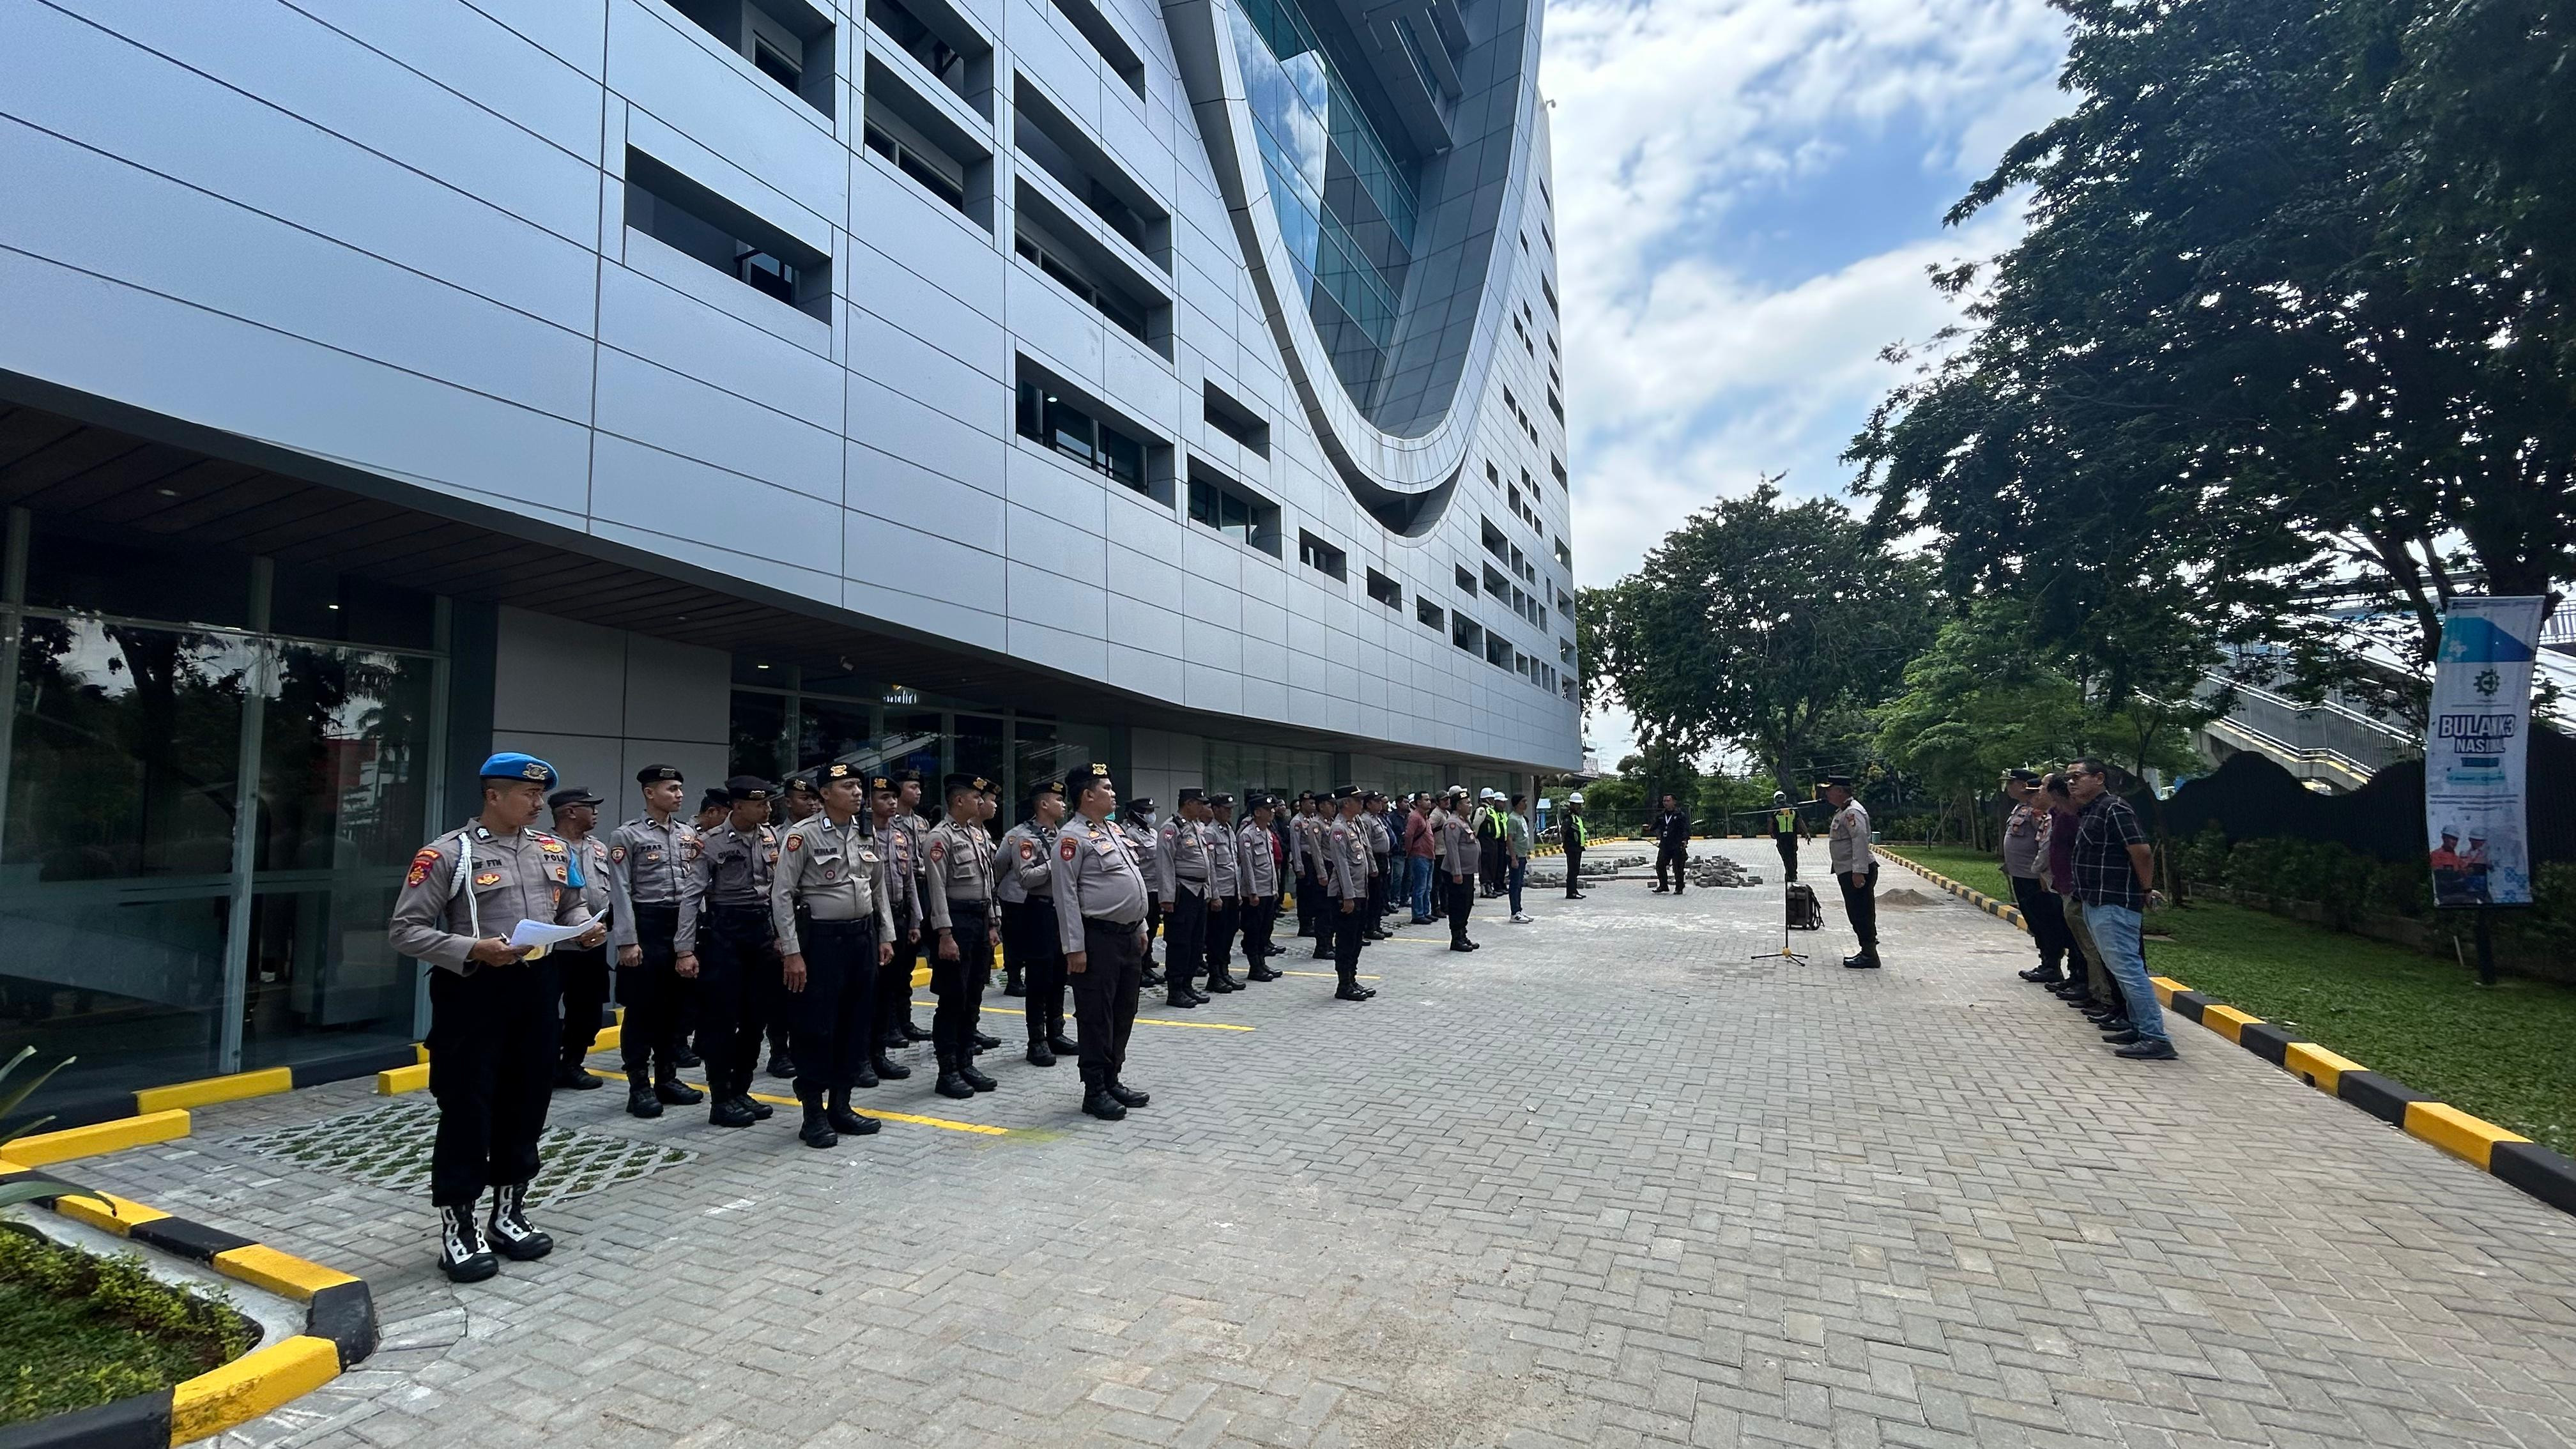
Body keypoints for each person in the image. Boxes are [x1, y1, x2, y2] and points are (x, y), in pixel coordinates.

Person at [389, 752, 605, 1283]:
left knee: (527, 1102)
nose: (538, 804)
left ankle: (509, 1213)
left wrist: (583, 927)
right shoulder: (449, 854)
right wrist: (472, 948)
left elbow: (570, 904)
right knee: (468, 1107)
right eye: (528, 795)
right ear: (493, 796)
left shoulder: (552, 849)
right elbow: (405, 930)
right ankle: (459, 1227)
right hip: (474, 990)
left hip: (536, 987)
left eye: (539, 795)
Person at [771, 762, 898, 1147]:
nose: (858, 793)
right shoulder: (802, 836)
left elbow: (877, 888)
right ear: (825, 794)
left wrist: (884, 935)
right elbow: (782, 895)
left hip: (861, 937)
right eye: (848, 786)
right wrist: (792, 953)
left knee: (855, 1023)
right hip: (821, 942)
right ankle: (813, 1114)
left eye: (859, 786)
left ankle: (841, 1106)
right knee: (816, 1026)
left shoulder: (865, 833)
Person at [675, 777, 786, 1129]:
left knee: (757, 1018)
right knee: (722, 1020)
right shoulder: (709, 843)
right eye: (760, 804)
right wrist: (684, 949)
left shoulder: (771, 838)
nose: (768, 809)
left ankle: (742, 1089)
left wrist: (785, 937)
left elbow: (781, 893)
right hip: (725, 933)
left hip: (762, 934)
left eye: (769, 804)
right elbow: (692, 897)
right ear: (737, 806)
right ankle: (721, 1097)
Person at [1050, 763, 1153, 1120]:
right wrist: (1074, 948)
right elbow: (1065, 898)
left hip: (1127, 938)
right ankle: (1094, 1090)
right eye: (1106, 788)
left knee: (1125, 1011)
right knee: (1097, 1017)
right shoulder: (1071, 838)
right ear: (1087, 795)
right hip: (1097, 940)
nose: (1113, 793)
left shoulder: (1113, 829)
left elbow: (1133, 881)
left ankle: (1113, 1079)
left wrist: (1140, 926)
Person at [609, 765, 703, 1118]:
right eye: (672, 789)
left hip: (682, 925)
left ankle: (667, 1078)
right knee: (643, 1009)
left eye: (680, 789)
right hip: (646, 925)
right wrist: (627, 942)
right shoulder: (627, 836)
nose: (679, 795)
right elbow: (620, 892)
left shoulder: (687, 834)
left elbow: (696, 887)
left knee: (676, 1008)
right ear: (650, 793)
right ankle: (638, 1085)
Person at [2066, 760, 2177, 1061]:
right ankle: (2137, 1025)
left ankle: (2155, 1037)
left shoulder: (2114, 808)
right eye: (2068, 778)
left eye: (2077, 777)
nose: (2071, 783)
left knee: (2128, 970)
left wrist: (2145, 889)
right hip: (2094, 900)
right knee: (2119, 969)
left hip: (2114, 902)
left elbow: (2140, 850)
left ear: (2099, 778)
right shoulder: (2092, 811)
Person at [921, 774, 1000, 1099]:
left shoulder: (977, 835)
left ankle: (966, 1061)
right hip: (956, 921)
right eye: (975, 797)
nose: (980, 803)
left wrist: (994, 921)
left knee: (974, 994)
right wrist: (944, 934)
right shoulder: (939, 838)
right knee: (953, 998)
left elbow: (988, 881)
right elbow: (936, 891)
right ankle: (948, 1070)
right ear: (959, 801)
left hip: (980, 920)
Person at [998, 781, 1076, 1063]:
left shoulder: (1065, 834)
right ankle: (1037, 1040)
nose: (1064, 805)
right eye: (1058, 800)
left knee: (1059, 974)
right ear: (1044, 804)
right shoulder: (1025, 838)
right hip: (1039, 910)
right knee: (1039, 978)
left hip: (1062, 911)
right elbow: (1027, 878)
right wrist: (1055, 864)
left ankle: (1057, 1032)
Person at [546, 785, 612, 1091]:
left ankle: (572, 1063)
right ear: (571, 811)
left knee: (587, 1010)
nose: (596, 813)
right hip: (555, 946)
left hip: (594, 943)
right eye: (590, 807)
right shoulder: (543, 847)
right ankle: (545, 1065)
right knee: (545, 1009)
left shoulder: (598, 847)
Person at [859, 778, 917, 1084]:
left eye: (895, 797)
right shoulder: (860, 835)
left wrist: (916, 920)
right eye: (885, 797)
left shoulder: (901, 836)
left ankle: (879, 1054)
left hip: (898, 915)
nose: (892, 803)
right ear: (870, 802)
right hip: (869, 919)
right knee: (868, 992)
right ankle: (861, 1059)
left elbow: (910, 883)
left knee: (889, 989)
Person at [2001, 770, 2074, 985]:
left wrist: (2042, 872)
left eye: (2010, 783)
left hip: (2035, 878)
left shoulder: (2039, 813)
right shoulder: (2021, 808)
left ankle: (2052, 965)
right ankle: (2046, 962)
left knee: (2046, 922)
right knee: (2035, 921)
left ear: (2023, 785)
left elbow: (2045, 844)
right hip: (2021, 875)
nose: (2007, 788)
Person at [880, 769, 933, 1052]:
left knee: (906, 966)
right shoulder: (887, 825)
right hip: (887, 900)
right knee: (887, 973)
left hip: (913, 892)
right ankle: (888, 1025)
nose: (919, 792)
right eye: (913, 787)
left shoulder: (921, 823)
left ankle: (904, 1020)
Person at [1154, 788, 1213, 1008]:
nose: (1203, 808)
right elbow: (1165, 864)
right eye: (1199, 804)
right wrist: (1167, 898)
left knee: (1196, 942)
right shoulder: (1171, 828)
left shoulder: (1196, 827)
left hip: (1198, 891)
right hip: (1183, 891)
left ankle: (1188, 985)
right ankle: (1175, 989)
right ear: (1188, 803)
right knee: (1180, 942)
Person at [1321, 786, 1378, 999]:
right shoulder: (1338, 829)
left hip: (1359, 891)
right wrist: (1348, 896)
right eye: (1357, 800)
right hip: (1346, 894)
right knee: (1345, 941)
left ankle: (1352, 979)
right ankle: (1344, 984)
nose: (1361, 803)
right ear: (1346, 803)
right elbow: (1342, 864)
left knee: (1355, 940)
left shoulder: (1354, 825)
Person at [1821, 775, 1878, 968]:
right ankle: (1867, 952)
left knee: (1861, 912)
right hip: (1848, 870)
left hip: (1856, 871)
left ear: (1840, 791)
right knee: (1857, 911)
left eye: (1830, 790)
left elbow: (1860, 840)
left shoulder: (1853, 812)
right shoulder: (1844, 811)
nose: (1827, 793)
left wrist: (1859, 871)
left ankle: (1870, 955)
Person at [1121, 797, 1166, 987]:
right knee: (1142, 930)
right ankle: (1138, 970)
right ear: (1137, 814)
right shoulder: (1131, 834)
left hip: (1156, 888)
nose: (1150, 815)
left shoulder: (1154, 833)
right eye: (1147, 811)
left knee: (1153, 927)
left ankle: (1147, 964)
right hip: (1143, 888)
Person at [1238, 794, 1284, 980]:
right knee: (1253, 930)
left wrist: (1275, 889)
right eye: (1267, 809)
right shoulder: (1247, 834)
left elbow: (1271, 865)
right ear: (1257, 812)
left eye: (1272, 809)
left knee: (1266, 928)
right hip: (1255, 893)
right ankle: (1254, 966)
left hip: (1268, 890)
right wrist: (1253, 892)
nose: (1271, 812)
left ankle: (1262, 963)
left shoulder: (1267, 832)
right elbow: (1247, 867)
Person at [1202, 793, 1244, 990]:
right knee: (1216, 937)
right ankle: (1215, 975)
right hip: (1220, 893)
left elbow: (1234, 864)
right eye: (1226, 809)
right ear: (1216, 809)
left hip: (1232, 891)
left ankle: (1225, 971)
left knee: (1229, 933)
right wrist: (1215, 895)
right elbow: (1211, 867)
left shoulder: (1228, 829)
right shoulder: (1210, 832)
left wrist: (1238, 893)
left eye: (1231, 809)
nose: (1230, 812)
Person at [1438, 786, 1481, 951]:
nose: (1470, 806)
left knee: (1466, 904)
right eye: (1466, 803)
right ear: (1458, 806)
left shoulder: (1464, 821)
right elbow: (1453, 849)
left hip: (1467, 872)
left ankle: (1463, 934)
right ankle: (1456, 938)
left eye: (1470, 802)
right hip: (1457, 872)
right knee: (1458, 905)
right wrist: (1457, 872)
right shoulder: (1453, 824)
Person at [1404, 793, 1439, 921]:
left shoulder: (1425, 817)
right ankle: (1418, 914)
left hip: (1429, 856)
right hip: (1419, 855)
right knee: (1420, 887)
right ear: (1418, 802)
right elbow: (1408, 836)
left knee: (1427, 887)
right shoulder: (1415, 817)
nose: (1429, 802)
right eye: (1426, 800)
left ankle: (1425, 911)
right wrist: (1409, 851)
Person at [1502, 793, 1534, 922]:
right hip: (1515, 856)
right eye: (1523, 801)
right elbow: (1509, 839)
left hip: (1522, 855)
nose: (1526, 804)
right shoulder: (1513, 819)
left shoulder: (1521, 817)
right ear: (1517, 804)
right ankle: (1514, 912)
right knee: (1515, 885)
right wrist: (1513, 858)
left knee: (1520, 884)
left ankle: (1519, 909)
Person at [1650, 794, 1691, 893]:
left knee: (1678, 868)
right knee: (1660, 865)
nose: (1666, 803)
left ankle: (1679, 888)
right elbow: (1654, 827)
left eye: (1668, 801)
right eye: (1664, 801)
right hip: (1665, 845)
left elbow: (1686, 829)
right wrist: (1648, 828)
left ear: (1674, 802)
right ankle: (1663, 886)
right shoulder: (1661, 815)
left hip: (1677, 845)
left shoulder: (1680, 815)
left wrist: (1685, 840)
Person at [1560, 792, 1589, 900]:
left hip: (1578, 848)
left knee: (1575, 870)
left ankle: (1574, 890)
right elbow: (1563, 830)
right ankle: (1570, 893)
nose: (1580, 807)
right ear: (1572, 805)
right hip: (1572, 848)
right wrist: (1565, 844)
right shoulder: (1569, 818)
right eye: (1578, 804)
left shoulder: (1577, 818)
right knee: (1572, 871)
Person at [1769, 792, 1801, 882]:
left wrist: (1771, 833)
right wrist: (1806, 833)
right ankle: (1793, 873)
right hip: (1792, 837)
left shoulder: (1774, 810)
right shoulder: (1792, 808)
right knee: (1793, 855)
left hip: (1781, 837)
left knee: (1786, 856)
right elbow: (1800, 821)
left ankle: (1791, 874)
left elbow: (1770, 823)